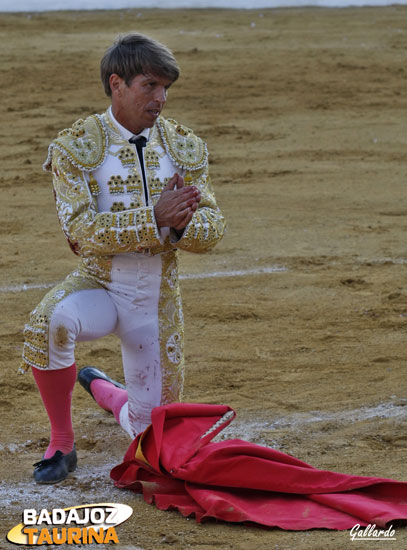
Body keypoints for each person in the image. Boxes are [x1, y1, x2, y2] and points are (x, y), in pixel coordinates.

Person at [21, 32, 225, 484]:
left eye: (166, 87)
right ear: (117, 83)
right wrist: (153, 217)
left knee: (150, 436)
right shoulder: (76, 148)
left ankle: (107, 392)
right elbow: (79, 233)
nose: (161, 98)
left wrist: (182, 224)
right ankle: (62, 443)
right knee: (48, 322)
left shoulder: (183, 147)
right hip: (100, 286)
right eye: (149, 86)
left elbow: (214, 230)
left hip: (156, 302)